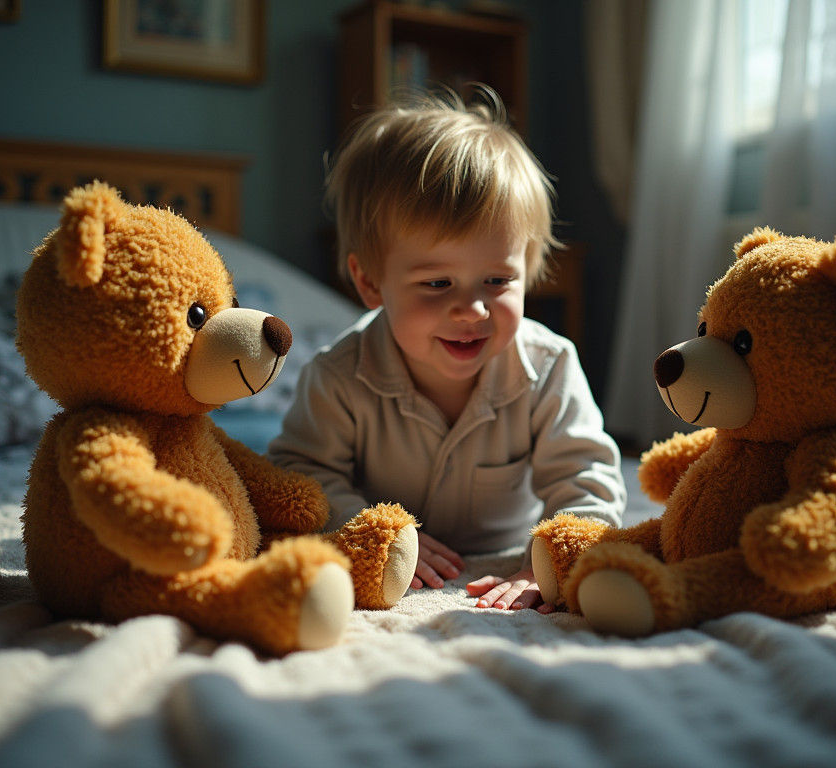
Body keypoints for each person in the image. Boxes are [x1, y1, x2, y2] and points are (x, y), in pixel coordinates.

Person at [268, 86, 625, 612]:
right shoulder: (339, 374)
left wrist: (552, 559)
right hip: (393, 554)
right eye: (437, 284)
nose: (472, 311)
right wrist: (360, 527)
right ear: (369, 283)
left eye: (498, 281)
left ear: (528, 270)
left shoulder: (548, 366)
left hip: (503, 546)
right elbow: (303, 476)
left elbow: (587, 478)